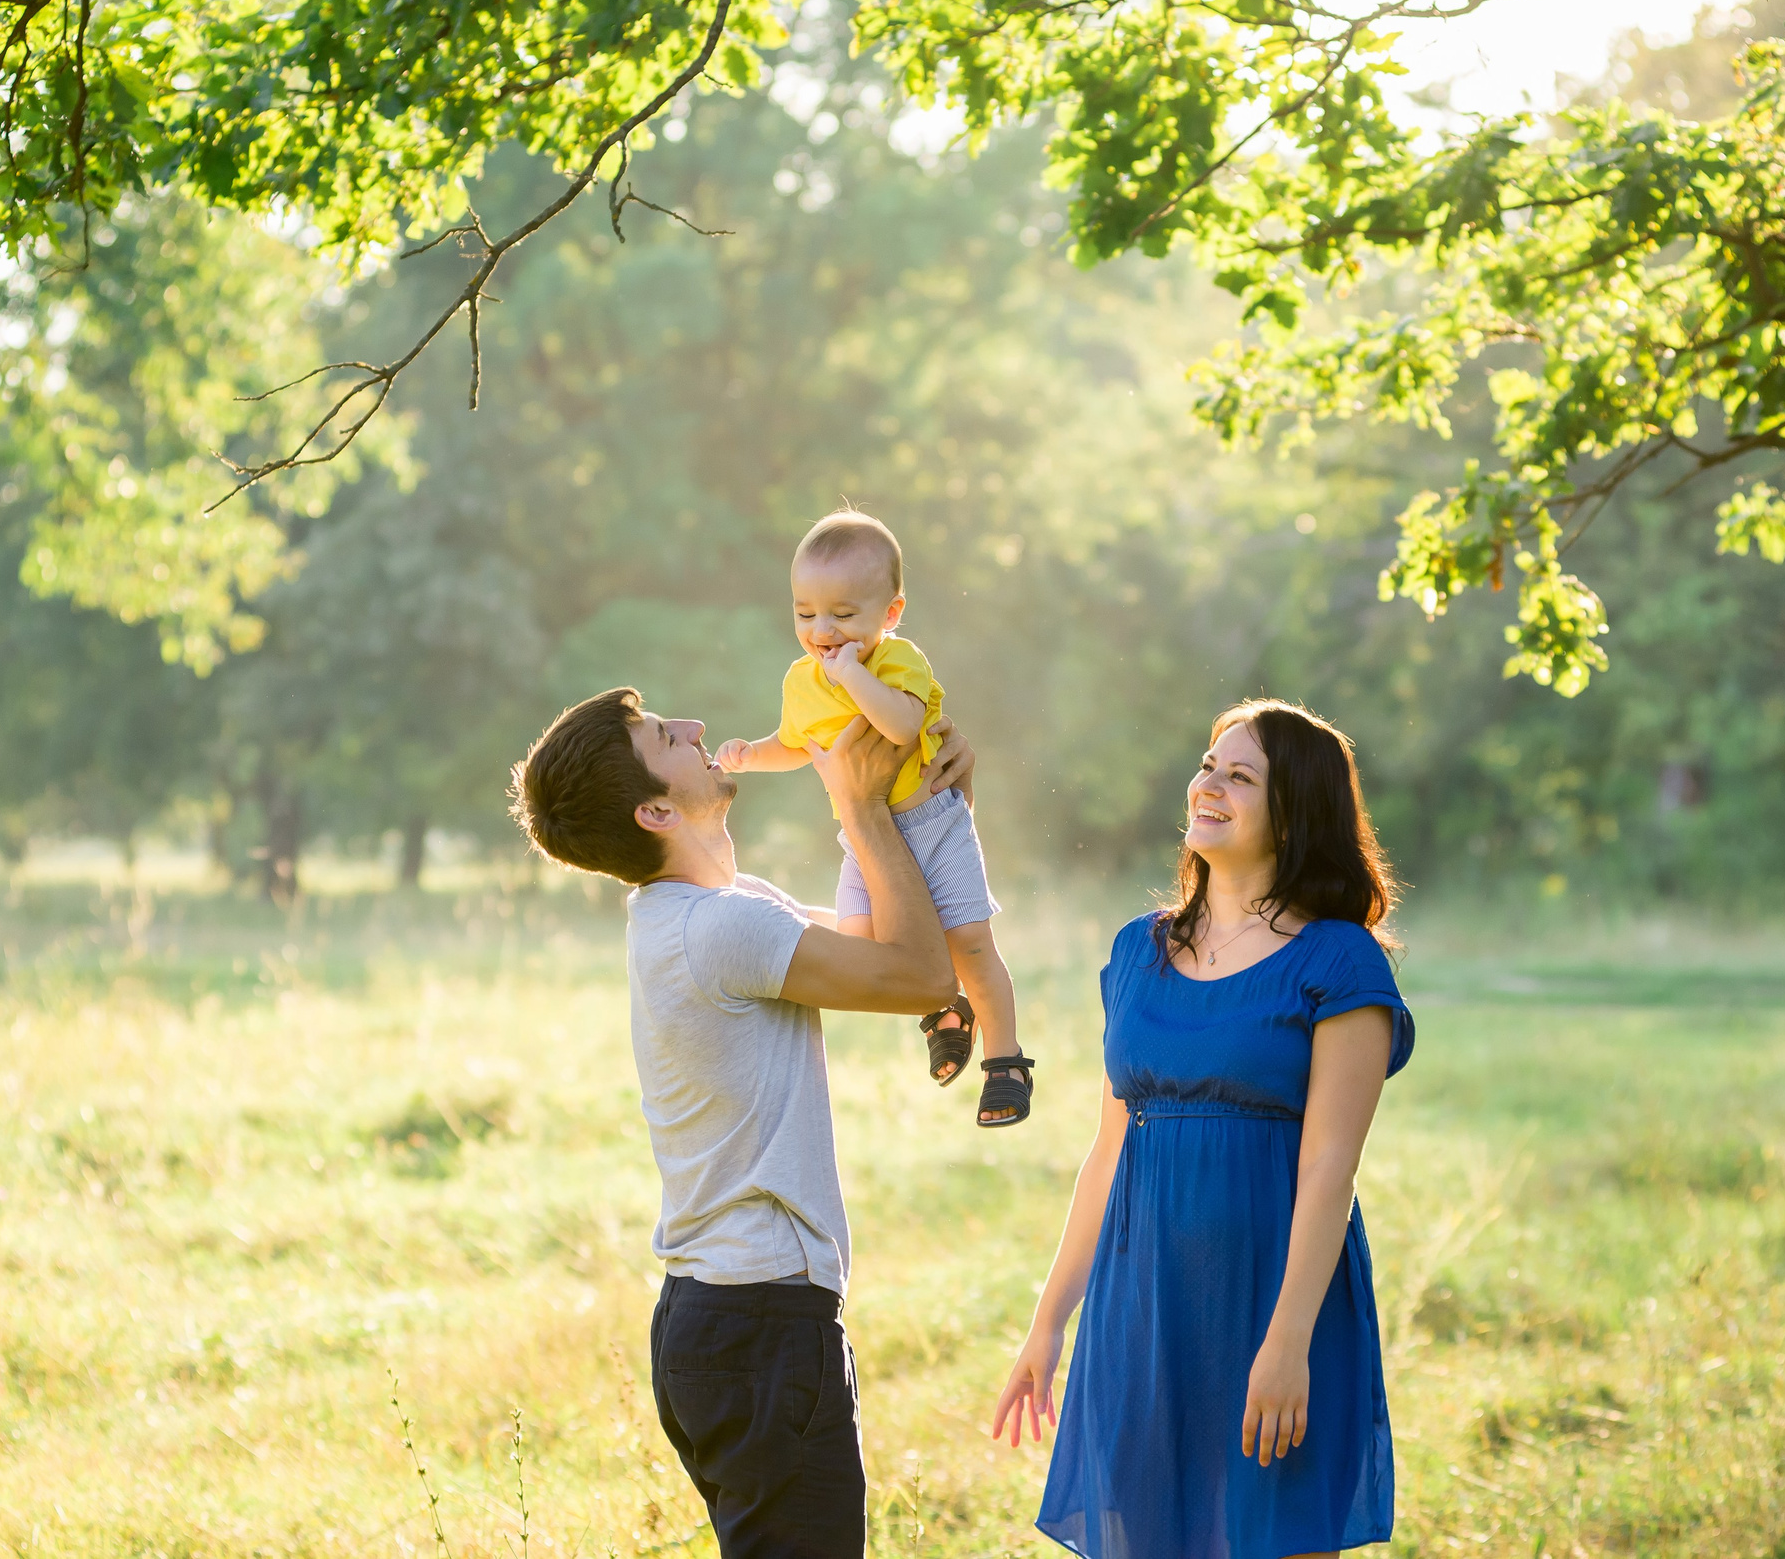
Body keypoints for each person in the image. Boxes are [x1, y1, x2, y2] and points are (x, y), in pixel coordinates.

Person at [508, 686, 970, 1559]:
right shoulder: (723, 928)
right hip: (758, 1324)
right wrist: (861, 801)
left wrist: (927, 790)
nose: (692, 726)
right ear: (655, 809)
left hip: (728, 1320)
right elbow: (918, 977)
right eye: (661, 735)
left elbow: (905, 934)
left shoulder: (716, 910)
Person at [991, 699, 1416, 1559]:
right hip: (1144, 1300)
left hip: (1275, 1298)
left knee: (1276, 1538)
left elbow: (1332, 1162)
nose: (1209, 784)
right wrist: (1049, 1321)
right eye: (1208, 763)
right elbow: (1108, 1152)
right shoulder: (1135, 952)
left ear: (1294, 811)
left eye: (1241, 774)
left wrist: (1289, 1337)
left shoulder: (1340, 959)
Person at [714, 508, 1034, 1126]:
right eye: (805, 614)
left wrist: (854, 676)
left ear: (889, 614)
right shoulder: (802, 680)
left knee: (968, 942)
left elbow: (903, 726)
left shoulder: (894, 662)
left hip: (931, 825)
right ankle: (944, 1011)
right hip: (863, 839)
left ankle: (1006, 1060)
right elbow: (796, 743)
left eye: (843, 614)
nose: (822, 631)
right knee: (865, 943)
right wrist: (752, 755)